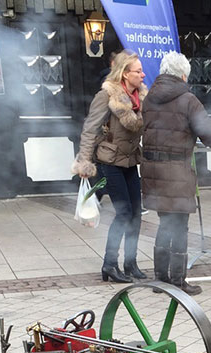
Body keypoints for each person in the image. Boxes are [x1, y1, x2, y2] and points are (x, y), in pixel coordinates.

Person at [141, 51, 211, 295]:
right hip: (177, 172)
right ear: (182, 75)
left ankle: (160, 281)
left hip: (152, 171)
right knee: (178, 226)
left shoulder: (149, 98)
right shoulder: (188, 100)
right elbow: (210, 137)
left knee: (164, 223)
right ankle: (178, 282)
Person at [72, 50, 147, 283]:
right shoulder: (106, 95)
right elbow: (90, 129)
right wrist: (84, 161)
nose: (143, 75)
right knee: (123, 213)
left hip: (130, 161)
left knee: (136, 213)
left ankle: (131, 262)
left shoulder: (141, 97)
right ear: (125, 74)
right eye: (138, 71)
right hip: (109, 161)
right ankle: (110, 263)